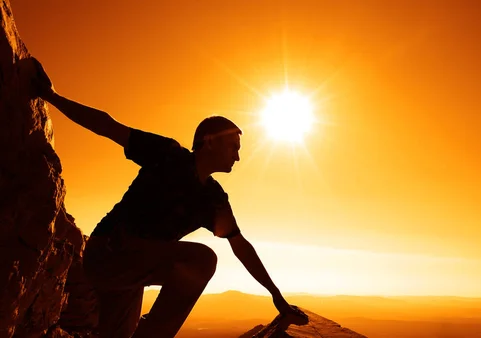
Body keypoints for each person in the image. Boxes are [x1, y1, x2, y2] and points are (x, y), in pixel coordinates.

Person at [30, 59, 308, 338]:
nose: (237, 156)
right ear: (209, 141)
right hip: (109, 253)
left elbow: (241, 247)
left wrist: (277, 296)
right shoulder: (168, 155)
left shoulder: (214, 199)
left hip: (132, 270)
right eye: (233, 147)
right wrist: (52, 97)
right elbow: (108, 126)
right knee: (202, 259)